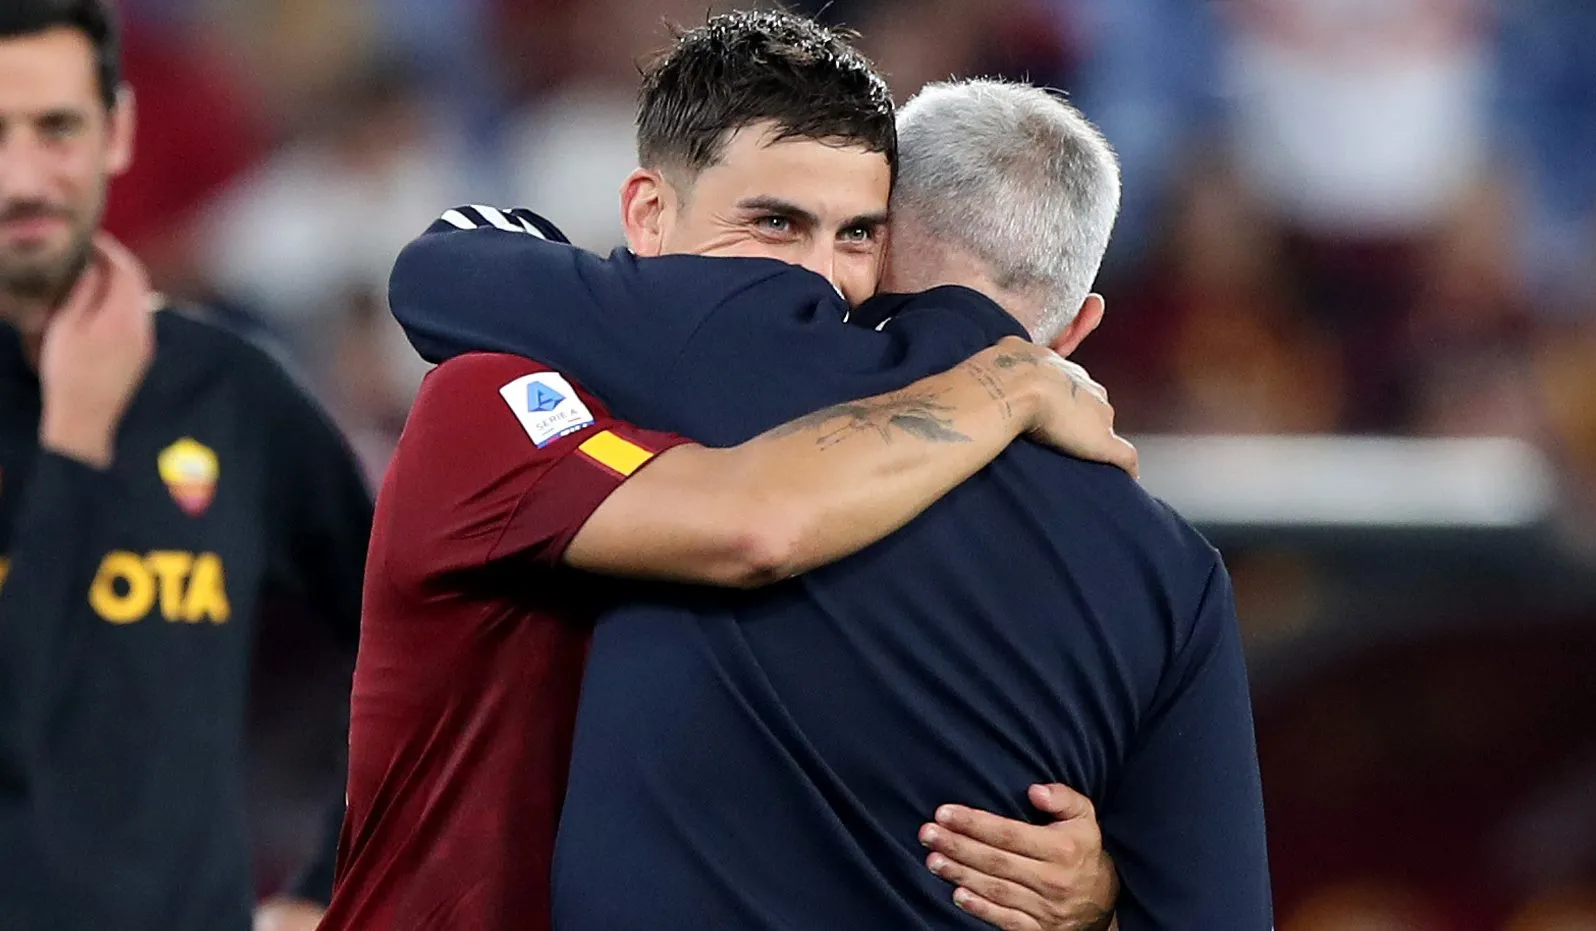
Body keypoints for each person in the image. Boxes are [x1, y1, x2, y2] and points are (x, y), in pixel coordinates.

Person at [387, 20, 1272, 931]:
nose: (813, 272)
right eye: (781, 225)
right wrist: (1106, 899)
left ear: (881, 245)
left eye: (848, 235)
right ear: (1078, 329)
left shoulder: (720, 351)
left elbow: (444, 270)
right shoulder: (1174, 574)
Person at [0, 2, 365, 929]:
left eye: (56, 128)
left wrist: (330, 883)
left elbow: (419, 644)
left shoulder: (228, 393)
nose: (23, 178)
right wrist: (77, 440)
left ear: (117, 131)